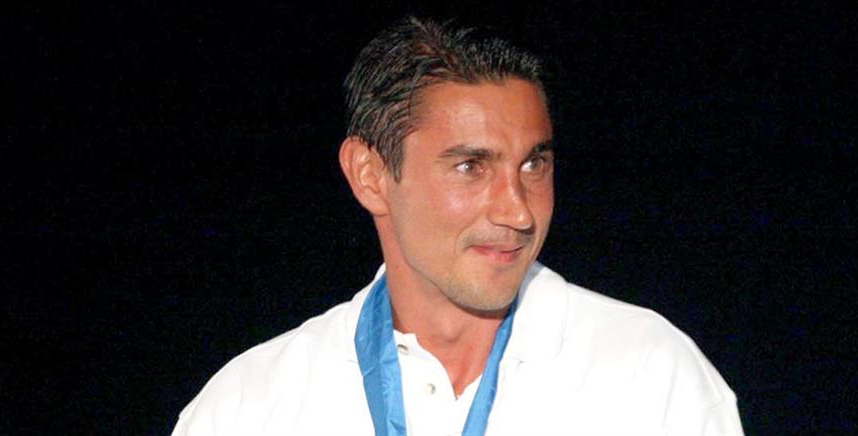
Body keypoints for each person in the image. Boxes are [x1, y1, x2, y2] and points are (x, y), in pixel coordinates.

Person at [172, 16, 743, 436]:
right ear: (370, 175)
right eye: (471, 167)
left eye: (533, 165)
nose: (518, 212)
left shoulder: (649, 376)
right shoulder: (247, 406)